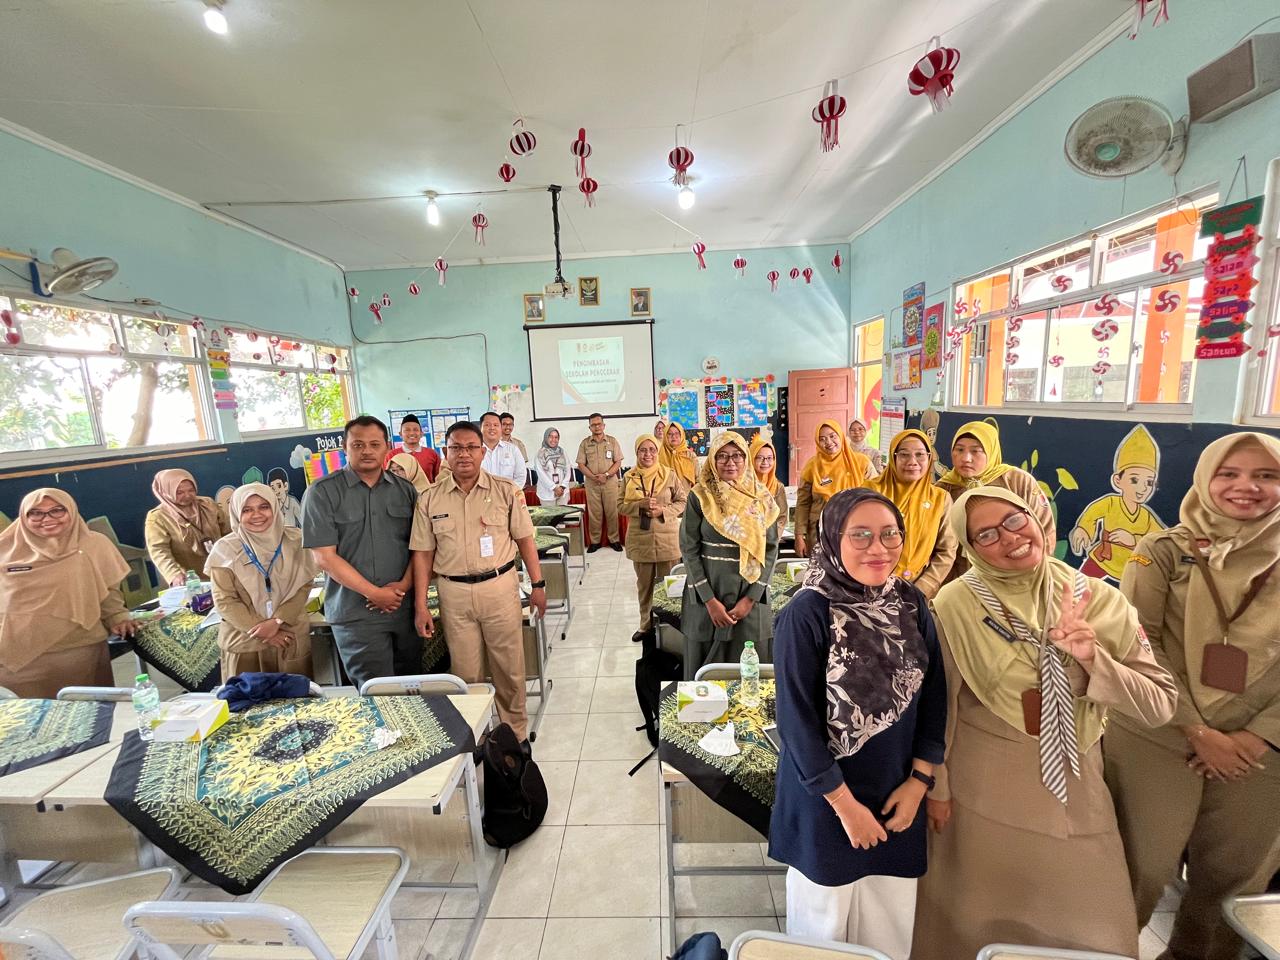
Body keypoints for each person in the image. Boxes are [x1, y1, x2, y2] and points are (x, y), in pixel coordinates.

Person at [913, 487, 1177, 960]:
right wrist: (939, 788)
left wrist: (1094, 660)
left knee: (1093, 924)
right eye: (986, 534)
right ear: (970, 547)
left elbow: (1159, 704)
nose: (1009, 538)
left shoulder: (1099, 599)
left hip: (1077, 785)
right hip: (980, 792)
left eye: (1015, 521)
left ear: (1036, 518)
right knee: (971, 922)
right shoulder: (955, 604)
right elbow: (941, 706)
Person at [1105, 432, 1280, 960]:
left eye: (1266, 475)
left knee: (1236, 876)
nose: (1246, 486)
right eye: (1229, 474)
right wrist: (1197, 729)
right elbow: (1138, 642)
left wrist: (1258, 736)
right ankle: (1106, 952)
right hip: (1158, 728)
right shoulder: (1162, 550)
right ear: (1205, 479)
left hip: (1260, 742)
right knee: (1139, 865)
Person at [770, 489, 947, 958]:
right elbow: (796, 725)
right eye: (861, 535)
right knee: (822, 936)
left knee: (888, 931)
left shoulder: (910, 603)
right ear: (833, 539)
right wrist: (845, 807)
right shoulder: (807, 613)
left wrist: (919, 783)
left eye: (890, 534)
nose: (878, 548)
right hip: (824, 801)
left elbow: (934, 698)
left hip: (896, 795)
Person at [411, 421, 547, 742]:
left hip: (499, 588)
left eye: (471, 448)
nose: (464, 454)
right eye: (456, 448)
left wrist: (538, 585)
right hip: (454, 594)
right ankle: (478, 737)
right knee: (466, 672)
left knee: (508, 668)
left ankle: (515, 736)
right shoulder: (430, 498)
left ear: (482, 452)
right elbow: (422, 554)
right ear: (446, 452)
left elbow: (525, 540)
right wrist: (420, 604)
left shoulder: (505, 491)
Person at [301, 415, 420, 691]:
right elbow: (324, 558)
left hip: (404, 610)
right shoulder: (322, 493)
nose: (367, 451)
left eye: (374, 444)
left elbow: (420, 548)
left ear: (387, 447)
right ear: (345, 447)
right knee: (377, 692)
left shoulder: (405, 491)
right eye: (358, 444)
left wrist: (402, 587)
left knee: (414, 689)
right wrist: (374, 593)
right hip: (356, 615)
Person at [0, 489, 136, 698]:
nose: (47, 519)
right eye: (36, 513)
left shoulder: (93, 544)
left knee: (85, 711)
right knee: (28, 714)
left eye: (57, 510)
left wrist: (117, 616)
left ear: (71, 510)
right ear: (24, 515)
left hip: (79, 649)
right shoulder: (5, 548)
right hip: (20, 655)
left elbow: (109, 590)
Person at [679, 432, 780, 662]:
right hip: (707, 595)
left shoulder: (762, 498)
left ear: (746, 459)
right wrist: (709, 601)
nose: (730, 462)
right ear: (713, 460)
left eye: (737, 455)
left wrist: (750, 599)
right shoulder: (700, 496)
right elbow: (688, 548)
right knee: (703, 671)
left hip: (750, 597)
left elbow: (771, 550)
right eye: (722, 456)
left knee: (750, 668)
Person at [207, 483, 318, 680]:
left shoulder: (296, 541)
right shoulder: (224, 550)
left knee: (297, 697)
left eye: (264, 507)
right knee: (247, 698)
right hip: (245, 641)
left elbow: (304, 585)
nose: (257, 515)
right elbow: (225, 601)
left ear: (274, 507)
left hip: (289, 637)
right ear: (236, 513)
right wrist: (265, 631)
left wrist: (278, 621)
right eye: (247, 510)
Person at [937, 420, 1054, 581]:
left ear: (991, 451)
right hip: (961, 577)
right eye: (959, 450)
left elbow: (1045, 529)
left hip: (1015, 574)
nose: (966, 458)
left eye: (976, 451)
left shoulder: (1017, 481)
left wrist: (1034, 574)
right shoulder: (944, 489)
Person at [1069, 424, 1163, 581]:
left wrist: (1133, 540)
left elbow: (1159, 539)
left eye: (1149, 482)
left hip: (1132, 564)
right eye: (1134, 480)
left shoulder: (1146, 516)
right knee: (1080, 584)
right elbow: (1092, 514)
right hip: (1103, 558)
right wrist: (1084, 530)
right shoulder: (1111, 502)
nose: (1143, 488)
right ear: (1118, 480)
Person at [871, 429, 956, 599]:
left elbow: (946, 551)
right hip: (870, 589)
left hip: (917, 593)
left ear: (929, 458)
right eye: (904, 455)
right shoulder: (869, 493)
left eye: (920, 455)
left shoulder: (940, 499)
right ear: (893, 457)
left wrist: (920, 591)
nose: (912, 462)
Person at [618, 434, 687, 641]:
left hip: (667, 539)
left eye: (652, 450)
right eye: (643, 450)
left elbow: (682, 501)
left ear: (657, 452)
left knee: (669, 585)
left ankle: (670, 625)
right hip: (640, 539)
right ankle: (645, 625)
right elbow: (620, 506)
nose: (647, 454)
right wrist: (639, 505)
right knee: (645, 587)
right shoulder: (629, 477)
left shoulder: (669, 474)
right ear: (636, 452)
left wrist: (663, 511)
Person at [794, 420, 871, 558]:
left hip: (855, 531)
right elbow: (803, 503)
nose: (828, 442)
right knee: (822, 569)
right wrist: (799, 536)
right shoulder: (812, 467)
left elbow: (875, 497)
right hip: (819, 532)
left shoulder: (862, 463)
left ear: (841, 436)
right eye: (822, 439)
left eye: (832, 436)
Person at [145, 468, 230, 587]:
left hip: (222, 566)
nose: (187, 496)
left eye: (191, 490)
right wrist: (174, 573)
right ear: (166, 492)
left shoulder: (208, 504)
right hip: (190, 578)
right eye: (179, 492)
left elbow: (228, 532)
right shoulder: (158, 517)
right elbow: (159, 550)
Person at [576, 412, 624, 552]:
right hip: (592, 484)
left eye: (599, 424)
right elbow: (581, 464)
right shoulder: (585, 443)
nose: (597, 427)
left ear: (604, 425)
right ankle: (595, 542)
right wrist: (593, 477)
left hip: (610, 483)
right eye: (593, 425)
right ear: (589, 427)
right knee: (594, 514)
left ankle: (614, 540)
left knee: (612, 512)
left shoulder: (612, 441)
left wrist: (606, 475)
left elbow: (618, 462)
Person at [749, 433, 789, 542]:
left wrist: (772, 540)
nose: (765, 462)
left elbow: (782, 517)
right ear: (751, 459)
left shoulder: (778, 487)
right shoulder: (743, 485)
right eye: (759, 458)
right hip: (747, 540)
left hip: (769, 542)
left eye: (769, 458)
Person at [479, 411, 528, 489]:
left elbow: (520, 476)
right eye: (487, 425)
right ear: (480, 427)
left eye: (496, 425)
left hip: (508, 494)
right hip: (480, 494)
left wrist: (510, 492)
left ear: (500, 428)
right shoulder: (473, 450)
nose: (492, 428)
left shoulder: (513, 449)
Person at [387, 414, 440, 483]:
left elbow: (439, 479)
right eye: (407, 430)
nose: (412, 433)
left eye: (415, 430)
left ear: (421, 434)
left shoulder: (432, 454)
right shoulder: (392, 455)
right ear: (400, 434)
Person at [534, 428, 572, 506]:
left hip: (562, 491)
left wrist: (562, 487)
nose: (553, 439)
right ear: (546, 437)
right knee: (549, 514)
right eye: (550, 436)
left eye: (556, 437)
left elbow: (568, 470)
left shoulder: (562, 452)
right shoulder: (540, 454)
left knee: (563, 513)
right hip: (547, 493)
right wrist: (554, 488)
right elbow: (541, 475)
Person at [660, 422, 697, 488]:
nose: (673, 436)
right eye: (670, 434)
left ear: (682, 435)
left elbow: (698, 479)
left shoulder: (690, 455)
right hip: (665, 493)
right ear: (665, 436)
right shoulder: (659, 455)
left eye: (677, 433)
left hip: (687, 493)